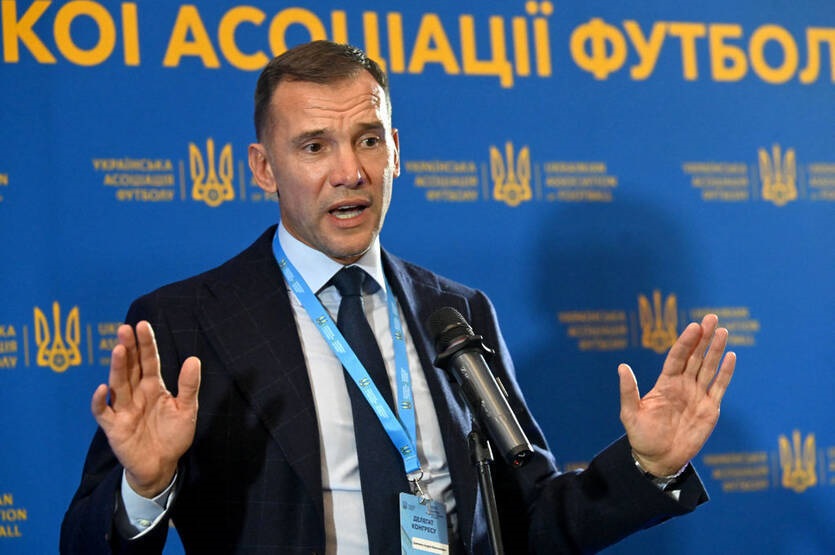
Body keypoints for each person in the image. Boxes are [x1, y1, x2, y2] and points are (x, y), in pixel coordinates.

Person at [60, 40, 736, 554]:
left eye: (367, 139)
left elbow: (529, 517)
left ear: (395, 150)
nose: (349, 171)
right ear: (264, 169)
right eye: (314, 147)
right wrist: (144, 487)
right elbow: (85, 542)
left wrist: (646, 464)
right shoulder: (186, 323)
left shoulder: (457, 313)